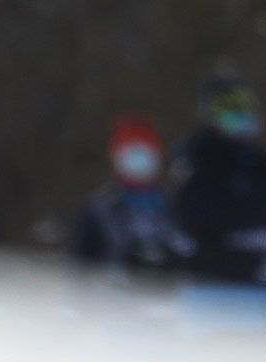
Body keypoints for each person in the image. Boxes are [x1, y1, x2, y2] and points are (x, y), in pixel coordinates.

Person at [170, 70, 266, 288]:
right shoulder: (198, 157)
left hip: (257, 280)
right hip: (210, 281)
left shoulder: (260, 162)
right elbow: (200, 215)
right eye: (231, 115)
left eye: (245, 114)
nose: (241, 123)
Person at [70, 115, 193, 274]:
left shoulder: (177, 206)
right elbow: (80, 268)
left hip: (166, 295)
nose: (139, 160)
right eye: (131, 153)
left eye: (145, 153)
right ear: (116, 158)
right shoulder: (98, 210)